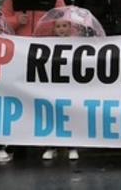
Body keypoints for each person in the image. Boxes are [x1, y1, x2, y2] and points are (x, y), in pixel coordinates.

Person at [42, 18, 82, 162]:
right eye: (58, 26)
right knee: (53, 115)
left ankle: (72, 146)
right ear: (54, 29)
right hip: (54, 85)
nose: (61, 29)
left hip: (71, 86)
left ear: (70, 27)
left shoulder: (77, 43)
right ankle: (51, 146)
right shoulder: (48, 44)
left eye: (65, 26)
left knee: (69, 115)